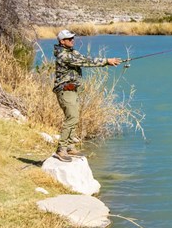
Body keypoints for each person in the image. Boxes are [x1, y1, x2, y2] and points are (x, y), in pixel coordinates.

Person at [51, 29, 122, 161]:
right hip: (65, 90)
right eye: (69, 39)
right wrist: (107, 61)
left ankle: (70, 147)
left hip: (72, 90)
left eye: (73, 38)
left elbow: (83, 58)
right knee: (71, 118)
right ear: (62, 41)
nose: (72, 40)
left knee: (75, 117)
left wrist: (108, 61)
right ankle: (61, 149)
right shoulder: (63, 55)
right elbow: (85, 62)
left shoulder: (71, 52)